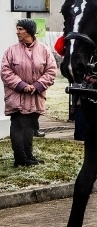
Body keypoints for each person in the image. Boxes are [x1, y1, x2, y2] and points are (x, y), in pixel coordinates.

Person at [2, 19, 57, 167]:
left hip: (36, 97)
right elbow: (5, 71)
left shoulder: (44, 50)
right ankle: (20, 159)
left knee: (30, 128)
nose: (17, 32)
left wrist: (38, 85)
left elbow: (51, 71)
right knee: (18, 127)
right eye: (17, 29)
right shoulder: (11, 51)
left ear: (29, 31)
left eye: (20, 29)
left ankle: (28, 157)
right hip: (17, 97)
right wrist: (22, 85)